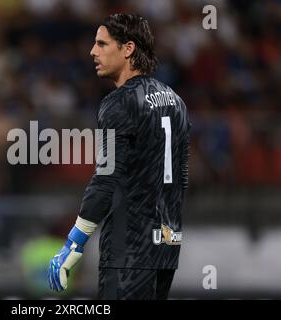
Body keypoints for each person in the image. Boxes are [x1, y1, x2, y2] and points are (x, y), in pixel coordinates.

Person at [48, 13, 190, 300]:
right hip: (167, 245)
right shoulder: (176, 101)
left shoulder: (119, 103)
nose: (92, 51)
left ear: (128, 49)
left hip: (129, 247)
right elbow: (182, 177)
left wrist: (74, 244)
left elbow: (105, 180)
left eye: (102, 44)